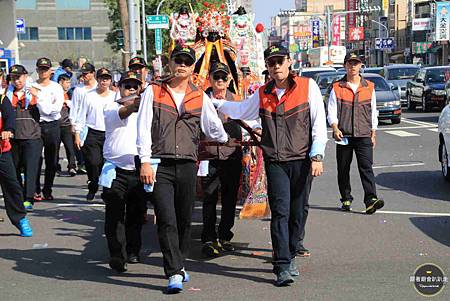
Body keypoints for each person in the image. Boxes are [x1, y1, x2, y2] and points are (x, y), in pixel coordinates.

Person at [212, 44, 328, 286]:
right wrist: (216, 103)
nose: (276, 66)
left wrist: (317, 156)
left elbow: (318, 126)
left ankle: (292, 249)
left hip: (302, 159)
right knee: (280, 211)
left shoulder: (308, 87)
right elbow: (242, 109)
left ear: (289, 62)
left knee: (298, 210)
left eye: (279, 61)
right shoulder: (263, 93)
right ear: (267, 67)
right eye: (271, 62)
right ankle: (282, 264)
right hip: (275, 161)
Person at [137, 44, 230, 293]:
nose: (182, 64)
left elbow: (213, 128)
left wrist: (224, 138)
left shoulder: (199, 96)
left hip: (188, 164)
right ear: (170, 63)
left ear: (192, 68)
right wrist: (144, 160)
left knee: (184, 219)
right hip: (159, 164)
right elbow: (143, 127)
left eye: (187, 61)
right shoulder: (154, 91)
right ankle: (174, 271)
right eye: (178, 60)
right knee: (166, 219)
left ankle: (179, 263)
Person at [200, 62, 255, 257]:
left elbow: (250, 122)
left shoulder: (238, 100)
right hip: (208, 155)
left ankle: (224, 235)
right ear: (210, 79)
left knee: (230, 196)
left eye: (224, 77)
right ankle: (208, 237)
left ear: (229, 79)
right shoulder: (201, 99)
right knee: (209, 196)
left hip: (232, 154)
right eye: (217, 77)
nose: (220, 81)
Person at [327, 52, 384, 214]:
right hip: (343, 135)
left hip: (364, 134)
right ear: (345, 65)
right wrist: (335, 127)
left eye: (355, 63)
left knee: (366, 167)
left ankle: (370, 199)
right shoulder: (337, 87)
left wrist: (373, 133)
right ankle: (346, 198)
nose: (352, 66)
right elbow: (331, 110)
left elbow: (373, 111)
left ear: (360, 66)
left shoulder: (369, 86)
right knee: (343, 168)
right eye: (349, 63)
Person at [101, 70, 147, 273]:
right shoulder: (111, 108)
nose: (131, 89)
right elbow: (123, 112)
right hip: (115, 169)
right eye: (127, 86)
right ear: (119, 88)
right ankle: (117, 255)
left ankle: (133, 251)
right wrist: (135, 104)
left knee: (136, 215)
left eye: (135, 86)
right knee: (114, 214)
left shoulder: (146, 112)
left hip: (139, 169)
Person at [75, 68, 115, 201]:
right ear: (97, 80)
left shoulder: (115, 96)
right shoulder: (89, 95)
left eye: (107, 78)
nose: (104, 81)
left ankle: (106, 191)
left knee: (108, 165)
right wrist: (77, 133)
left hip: (110, 134)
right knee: (93, 162)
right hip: (93, 133)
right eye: (102, 78)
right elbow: (81, 116)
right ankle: (93, 184)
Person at [6, 65, 42, 211]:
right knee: (14, 169)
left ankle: (29, 198)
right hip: (13, 137)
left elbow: (48, 110)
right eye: (14, 78)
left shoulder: (34, 92)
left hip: (32, 137)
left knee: (30, 169)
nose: (17, 81)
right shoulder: (7, 94)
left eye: (19, 77)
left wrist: (37, 96)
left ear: (26, 76)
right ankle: (18, 195)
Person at [0, 90, 33, 236]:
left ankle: (20, 219)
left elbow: (10, 118)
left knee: (12, 185)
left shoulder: (2, 100)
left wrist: (8, 129)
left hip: (2, 151)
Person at [33, 58, 65, 201]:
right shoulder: (31, 86)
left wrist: (39, 97)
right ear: (37, 70)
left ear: (50, 71)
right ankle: (36, 190)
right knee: (35, 159)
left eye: (46, 69)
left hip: (53, 125)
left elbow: (54, 110)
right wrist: (46, 105)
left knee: (52, 160)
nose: (43, 71)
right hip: (36, 125)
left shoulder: (56, 87)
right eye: (40, 69)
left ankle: (48, 189)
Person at [70, 63, 97, 175]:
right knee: (83, 148)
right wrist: (73, 123)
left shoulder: (98, 87)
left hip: (96, 124)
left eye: (87, 73)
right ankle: (85, 166)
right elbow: (74, 107)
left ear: (93, 73)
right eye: (83, 73)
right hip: (82, 124)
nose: (84, 75)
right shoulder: (78, 89)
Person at [57, 74, 77, 177]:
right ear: (61, 82)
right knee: (54, 148)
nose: (68, 85)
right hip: (55, 125)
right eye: (67, 82)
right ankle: (55, 166)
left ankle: (72, 166)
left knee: (70, 147)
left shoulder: (70, 93)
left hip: (66, 125)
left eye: (69, 82)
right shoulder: (54, 92)